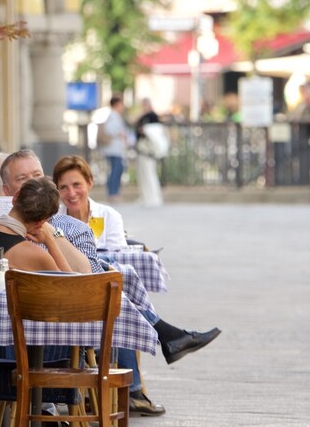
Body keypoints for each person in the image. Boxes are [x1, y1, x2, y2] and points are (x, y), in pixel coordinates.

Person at [51, 154, 222, 416]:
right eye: (63, 187)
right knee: (119, 300)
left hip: (100, 289)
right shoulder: (54, 221)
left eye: (76, 185)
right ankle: (165, 346)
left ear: (90, 183)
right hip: (73, 296)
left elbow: (118, 253)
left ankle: (140, 383)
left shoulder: (107, 215)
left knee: (119, 302)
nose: (71, 193)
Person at [0, 176, 74, 272]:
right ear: (41, 222)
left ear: (15, 197)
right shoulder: (36, 255)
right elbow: (71, 286)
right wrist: (50, 242)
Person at [98, 95, 130, 204]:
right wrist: (121, 134)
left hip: (115, 148)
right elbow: (111, 130)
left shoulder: (115, 116)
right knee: (116, 170)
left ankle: (114, 193)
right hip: (113, 149)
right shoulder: (113, 116)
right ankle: (113, 193)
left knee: (117, 170)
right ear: (117, 104)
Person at [134, 97, 164, 208]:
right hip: (142, 150)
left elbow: (155, 133)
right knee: (143, 176)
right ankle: (145, 197)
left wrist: (144, 130)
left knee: (150, 175)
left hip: (149, 152)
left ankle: (154, 198)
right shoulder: (143, 116)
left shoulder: (153, 116)